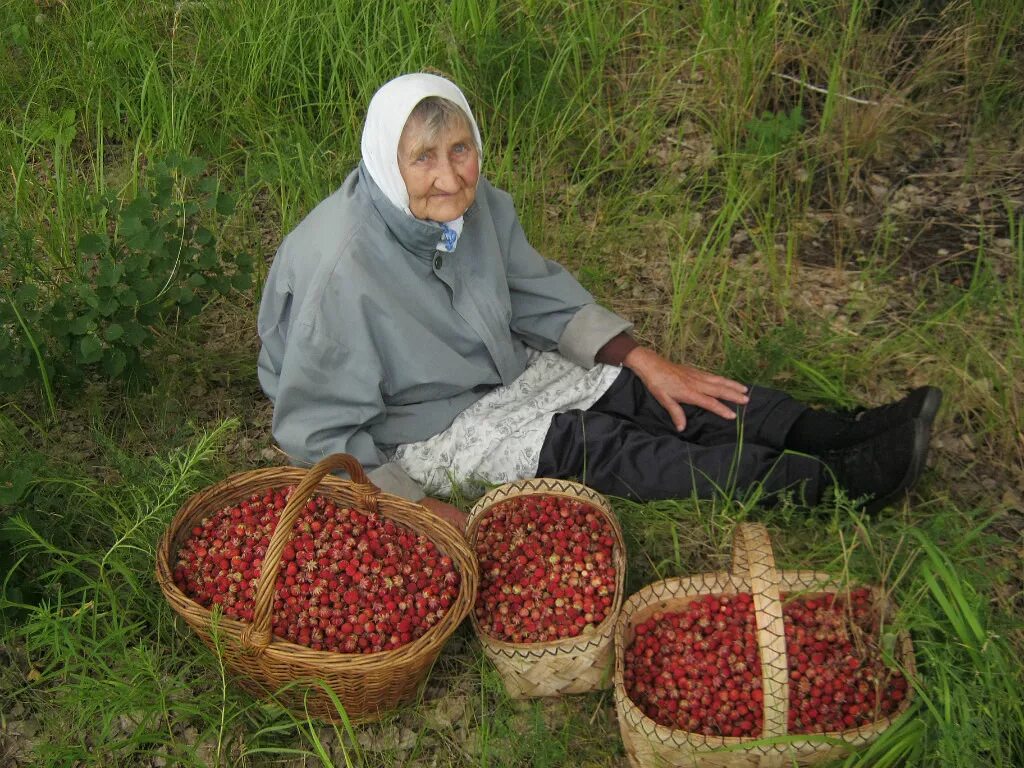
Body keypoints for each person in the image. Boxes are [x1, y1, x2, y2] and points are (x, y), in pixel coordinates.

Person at [257, 73, 941, 532]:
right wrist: (422, 508)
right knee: (603, 446)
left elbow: (536, 292)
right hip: (417, 425)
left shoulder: (477, 205)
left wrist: (645, 361)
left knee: (656, 396)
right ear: (386, 161)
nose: (448, 175)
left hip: (502, 367)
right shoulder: (341, 270)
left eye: (460, 149)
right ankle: (824, 487)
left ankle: (834, 433)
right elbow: (316, 429)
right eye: (424, 158)